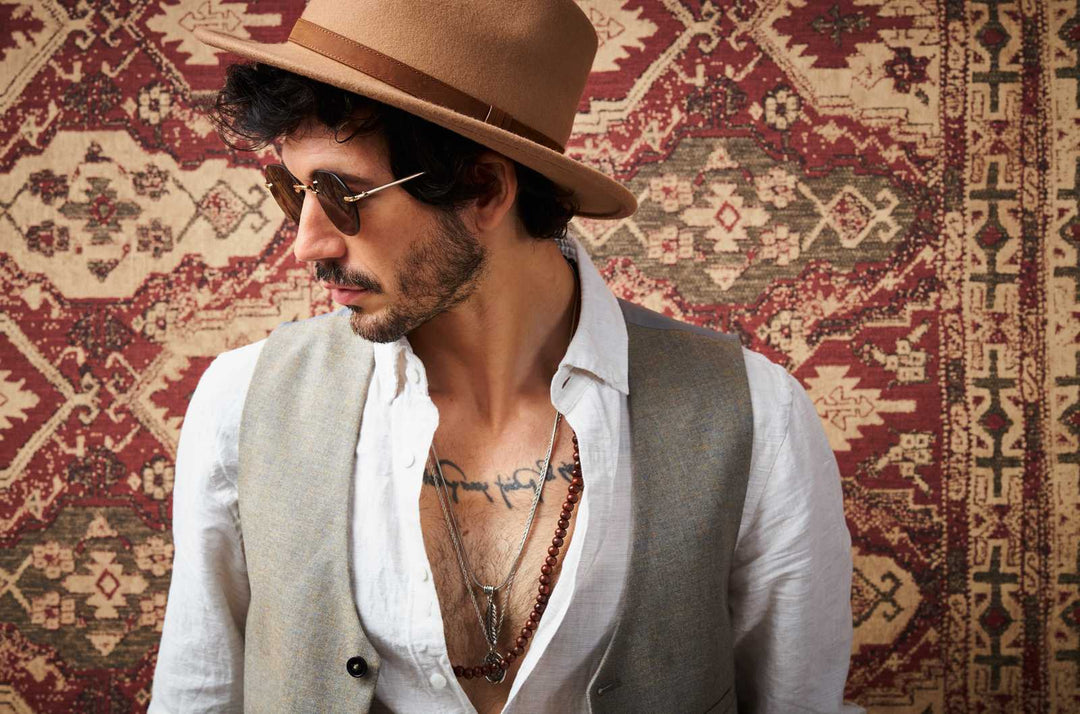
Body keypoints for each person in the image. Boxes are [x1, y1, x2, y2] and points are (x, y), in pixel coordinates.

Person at [149, 1, 857, 712]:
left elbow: (799, 703)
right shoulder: (243, 402)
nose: (307, 244)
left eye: (341, 193)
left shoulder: (755, 415)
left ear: (484, 189)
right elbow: (196, 694)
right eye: (292, 190)